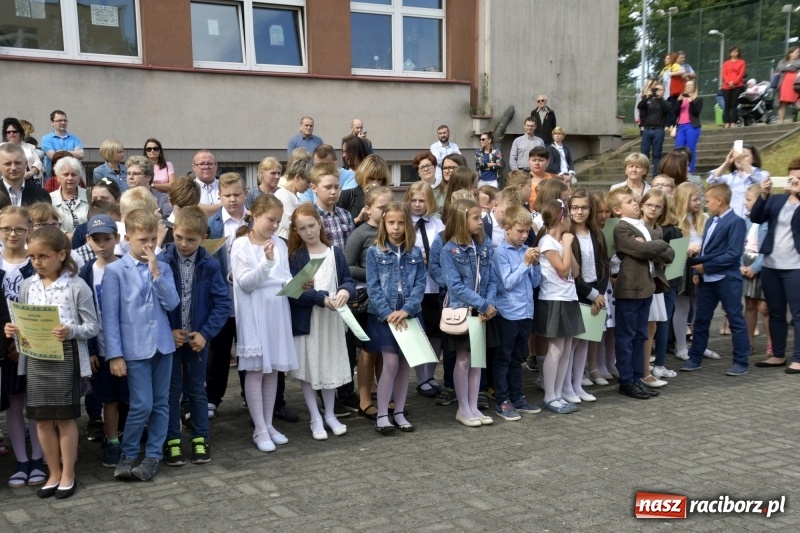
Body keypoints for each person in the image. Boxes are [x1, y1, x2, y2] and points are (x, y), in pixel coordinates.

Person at [4, 226, 100, 498]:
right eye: (32, 257)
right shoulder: (27, 285)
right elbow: (23, 320)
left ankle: (68, 472)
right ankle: (53, 473)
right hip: (35, 359)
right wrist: (13, 330)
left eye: (43, 256)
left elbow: (93, 325)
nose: (37, 262)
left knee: (65, 418)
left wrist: (70, 330)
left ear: (61, 254)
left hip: (65, 359)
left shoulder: (76, 285)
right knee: (42, 419)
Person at [102, 210, 179, 481]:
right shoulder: (114, 271)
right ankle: (128, 453)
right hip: (133, 348)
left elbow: (172, 304)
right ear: (127, 238)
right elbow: (110, 316)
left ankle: (153, 455)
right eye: (141, 240)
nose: (148, 246)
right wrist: (114, 354)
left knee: (161, 404)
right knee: (141, 404)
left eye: (152, 240)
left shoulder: (164, 266)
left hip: (163, 346)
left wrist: (156, 272)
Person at [162, 207, 231, 465]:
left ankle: (201, 438)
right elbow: (155, 304)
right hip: (171, 340)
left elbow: (222, 304)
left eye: (191, 239)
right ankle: (172, 440)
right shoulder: (162, 261)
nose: (183, 243)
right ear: (173, 233)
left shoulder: (210, 265)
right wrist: (168, 332)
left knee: (196, 391)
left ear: (203, 237)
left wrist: (205, 333)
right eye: (179, 237)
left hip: (197, 342)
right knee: (171, 393)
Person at [231, 195, 297, 451]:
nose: (274, 225)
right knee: (256, 370)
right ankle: (259, 429)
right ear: (255, 216)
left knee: (273, 371)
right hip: (254, 312)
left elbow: (285, 277)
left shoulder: (279, 243)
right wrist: (266, 262)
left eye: (278, 221)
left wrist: (300, 283)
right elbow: (245, 283)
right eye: (270, 219)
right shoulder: (240, 245)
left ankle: (268, 424)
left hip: (277, 310)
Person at [287, 204, 354, 439]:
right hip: (309, 321)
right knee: (310, 368)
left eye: (312, 226)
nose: (309, 232)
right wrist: (320, 298)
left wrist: (345, 291)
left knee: (329, 366)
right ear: (296, 231)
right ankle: (315, 416)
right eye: (302, 228)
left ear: (320, 224)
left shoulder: (334, 253)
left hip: (331, 322)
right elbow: (293, 292)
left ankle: (330, 414)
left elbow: (347, 280)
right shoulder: (297, 256)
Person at [366, 202, 426, 433]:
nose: (396, 227)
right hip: (385, 314)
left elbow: (420, 283)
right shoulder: (375, 251)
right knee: (390, 363)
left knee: (403, 365)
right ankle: (382, 413)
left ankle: (399, 412)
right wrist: (388, 312)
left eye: (401, 222)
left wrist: (407, 309)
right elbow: (373, 287)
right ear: (384, 224)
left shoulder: (415, 251)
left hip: (409, 312)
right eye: (391, 222)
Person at [609, 188, 674, 399]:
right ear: (618, 210)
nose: (636, 203)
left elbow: (670, 254)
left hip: (647, 287)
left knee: (641, 335)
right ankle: (626, 380)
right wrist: (651, 246)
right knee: (626, 337)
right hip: (629, 288)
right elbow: (639, 250)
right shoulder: (622, 228)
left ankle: (638, 377)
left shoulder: (645, 228)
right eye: (630, 201)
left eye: (636, 200)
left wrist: (650, 245)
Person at [679, 184, 750, 375]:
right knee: (701, 320)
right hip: (707, 280)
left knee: (735, 320)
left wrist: (705, 267)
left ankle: (741, 362)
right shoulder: (711, 221)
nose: (705, 204)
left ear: (719, 200)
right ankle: (695, 358)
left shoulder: (736, 222)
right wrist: (697, 272)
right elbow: (706, 250)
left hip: (727, 279)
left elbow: (733, 254)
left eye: (708, 200)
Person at [440, 198, 497, 427]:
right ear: (461, 220)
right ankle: (463, 408)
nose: (480, 222)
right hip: (463, 311)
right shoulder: (449, 250)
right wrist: (483, 305)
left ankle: (473, 406)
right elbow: (454, 286)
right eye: (475, 218)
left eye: (480, 217)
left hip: (483, 311)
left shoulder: (484, 245)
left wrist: (489, 305)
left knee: (477, 360)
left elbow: (492, 278)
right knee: (463, 358)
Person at [0, 206, 46, 488]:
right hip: (4, 344)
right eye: (6, 229)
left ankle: (39, 458)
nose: (12, 234)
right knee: (14, 404)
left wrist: (25, 340)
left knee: (36, 402)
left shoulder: (36, 261)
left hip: (36, 339)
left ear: (29, 229)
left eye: (18, 228)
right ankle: (21, 461)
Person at [79, 214, 127, 468]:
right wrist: (90, 349)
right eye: (96, 239)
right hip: (103, 348)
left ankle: (130, 438)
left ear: (117, 239)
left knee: (132, 397)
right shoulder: (86, 274)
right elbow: (84, 314)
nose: (102, 244)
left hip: (130, 348)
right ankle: (112, 441)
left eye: (107, 239)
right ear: (88, 240)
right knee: (109, 399)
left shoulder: (127, 266)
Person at [344, 185, 393, 419]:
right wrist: (374, 273)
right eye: (381, 208)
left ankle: (384, 394)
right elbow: (347, 266)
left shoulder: (395, 232)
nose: (386, 213)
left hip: (389, 300)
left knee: (385, 350)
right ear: (368, 208)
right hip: (365, 300)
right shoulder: (361, 234)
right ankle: (364, 399)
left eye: (389, 207)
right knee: (368, 351)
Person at [491, 204, 542, 420]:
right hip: (508, 313)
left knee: (517, 359)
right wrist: (525, 264)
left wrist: (536, 265)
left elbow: (535, 283)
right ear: (507, 228)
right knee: (503, 358)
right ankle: (502, 400)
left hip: (525, 313)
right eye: (520, 231)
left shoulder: (525, 250)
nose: (524, 235)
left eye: (527, 231)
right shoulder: (500, 253)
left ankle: (517, 396)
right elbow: (507, 284)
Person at [534, 199, 584, 413]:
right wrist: (565, 245)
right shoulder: (546, 242)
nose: (572, 220)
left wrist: (568, 246)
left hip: (568, 298)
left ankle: (559, 393)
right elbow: (563, 271)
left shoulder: (562, 242)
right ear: (562, 218)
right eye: (569, 216)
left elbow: (576, 271)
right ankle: (549, 396)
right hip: (554, 299)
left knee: (566, 349)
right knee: (555, 349)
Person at [749, 167, 800, 374]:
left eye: (798, 177)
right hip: (771, 264)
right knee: (775, 312)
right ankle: (778, 354)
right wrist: (763, 195)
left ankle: (798, 358)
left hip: (795, 266)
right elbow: (756, 217)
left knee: (797, 313)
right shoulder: (777, 200)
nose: (793, 180)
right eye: (791, 177)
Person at [206, 173, 248, 419]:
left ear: (245, 194)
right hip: (222, 299)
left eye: (237, 194)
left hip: (247, 298)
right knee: (219, 352)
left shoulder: (253, 220)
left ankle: (247, 394)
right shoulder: (213, 224)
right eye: (227, 195)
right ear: (219, 196)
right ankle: (213, 397)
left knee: (246, 349)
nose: (232, 199)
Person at [565, 189, 609, 402]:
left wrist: (599, 293)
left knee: (585, 341)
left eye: (584, 207)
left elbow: (604, 265)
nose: (579, 212)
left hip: (595, 293)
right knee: (571, 342)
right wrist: (592, 294)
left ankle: (577, 384)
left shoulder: (597, 234)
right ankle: (567, 386)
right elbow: (571, 275)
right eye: (575, 208)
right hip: (577, 293)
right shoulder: (567, 235)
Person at [405, 182, 446, 397]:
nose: (418, 204)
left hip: (435, 285)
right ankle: (420, 378)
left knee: (435, 332)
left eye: (422, 200)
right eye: (414, 200)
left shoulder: (437, 225)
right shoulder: (404, 223)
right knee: (418, 333)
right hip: (414, 287)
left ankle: (430, 375)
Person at [638, 190, 670, 389]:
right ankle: (643, 372)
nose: (653, 208)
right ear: (641, 205)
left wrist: (652, 250)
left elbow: (668, 256)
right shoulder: (636, 227)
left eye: (658, 206)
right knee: (644, 328)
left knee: (652, 327)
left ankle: (645, 370)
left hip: (655, 281)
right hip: (641, 282)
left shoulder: (659, 229)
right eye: (649, 204)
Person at [741, 184, 771, 359]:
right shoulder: (746, 221)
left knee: (764, 307)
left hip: (761, 266)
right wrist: (741, 265)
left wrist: (755, 267)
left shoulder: (768, 222)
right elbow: (739, 245)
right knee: (750, 305)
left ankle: (771, 343)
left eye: (749, 200)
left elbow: (768, 248)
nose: (745, 203)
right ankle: (749, 342)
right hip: (746, 263)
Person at [707, 144, 768, 218]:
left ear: (754, 159)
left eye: (745, 156)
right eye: (738, 156)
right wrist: (727, 163)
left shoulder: (762, 174)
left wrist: (742, 161)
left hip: (753, 219)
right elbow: (712, 180)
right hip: (733, 220)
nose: (739, 158)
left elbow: (759, 180)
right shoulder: (729, 178)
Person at [337, 154, 390, 227]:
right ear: (363, 176)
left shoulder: (387, 199)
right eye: (371, 178)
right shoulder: (348, 195)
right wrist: (358, 219)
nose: (375, 183)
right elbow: (338, 228)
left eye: (379, 179)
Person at [312, 162, 354, 251]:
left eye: (336, 187)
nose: (333, 192)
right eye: (328, 187)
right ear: (314, 188)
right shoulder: (310, 216)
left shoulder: (346, 215)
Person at [50, 156, 90, 237]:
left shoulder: (89, 196)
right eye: (66, 174)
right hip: (59, 243)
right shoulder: (50, 199)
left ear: (79, 178)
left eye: (74, 174)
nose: (70, 178)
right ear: (57, 178)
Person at [274, 157, 312, 239]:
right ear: (297, 177)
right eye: (308, 181)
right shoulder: (282, 195)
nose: (309, 186)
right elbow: (291, 224)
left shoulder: (293, 196)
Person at [637, 81, 670, 175]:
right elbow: (640, 106)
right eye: (656, 89)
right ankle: (643, 175)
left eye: (660, 90)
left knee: (657, 155)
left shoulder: (665, 102)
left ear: (663, 91)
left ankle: (655, 175)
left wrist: (659, 98)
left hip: (659, 130)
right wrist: (647, 96)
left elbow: (667, 109)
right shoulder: (648, 101)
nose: (657, 91)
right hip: (647, 130)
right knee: (644, 154)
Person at [41, 110, 84, 176]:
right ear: (52, 122)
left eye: (65, 120)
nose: (63, 122)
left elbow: (81, 155)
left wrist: (60, 152)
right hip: (54, 178)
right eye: (59, 120)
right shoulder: (46, 139)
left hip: (72, 176)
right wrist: (74, 153)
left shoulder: (74, 138)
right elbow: (53, 156)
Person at [1, 117, 42, 183]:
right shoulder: (1, 147)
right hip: (7, 181)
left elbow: (38, 163)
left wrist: (29, 174)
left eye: (14, 131)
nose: (11, 133)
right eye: (8, 132)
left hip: (28, 180)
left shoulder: (29, 147)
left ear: (20, 132)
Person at [674, 80, 703, 173]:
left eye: (690, 85)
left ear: (694, 87)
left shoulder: (698, 99)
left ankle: (690, 172)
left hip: (691, 126)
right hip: (681, 126)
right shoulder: (682, 98)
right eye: (687, 85)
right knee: (678, 150)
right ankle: (678, 171)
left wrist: (691, 101)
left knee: (690, 150)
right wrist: (678, 101)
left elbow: (696, 112)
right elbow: (674, 112)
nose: (688, 87)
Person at [721, 46, 746, 128]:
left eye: (736, 51)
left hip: (737, 86)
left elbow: (741, 74)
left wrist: (734, 82)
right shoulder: (726, 63)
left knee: (734, 104)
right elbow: (724, 74)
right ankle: (726, 121)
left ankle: (733, 122)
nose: (734, 53)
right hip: (726, 86)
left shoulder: (742, 62)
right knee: (727, 104)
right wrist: (729, 82)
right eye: (732, 51)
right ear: (730, 53)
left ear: (738, 53)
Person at [192, 150, 222, 217]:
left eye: (210, 164)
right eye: (202, 164)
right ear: (194, 167)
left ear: (216, 165)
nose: (206, 167)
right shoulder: (188, 188)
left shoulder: (225, 186)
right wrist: (225, 205)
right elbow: (192, 209)